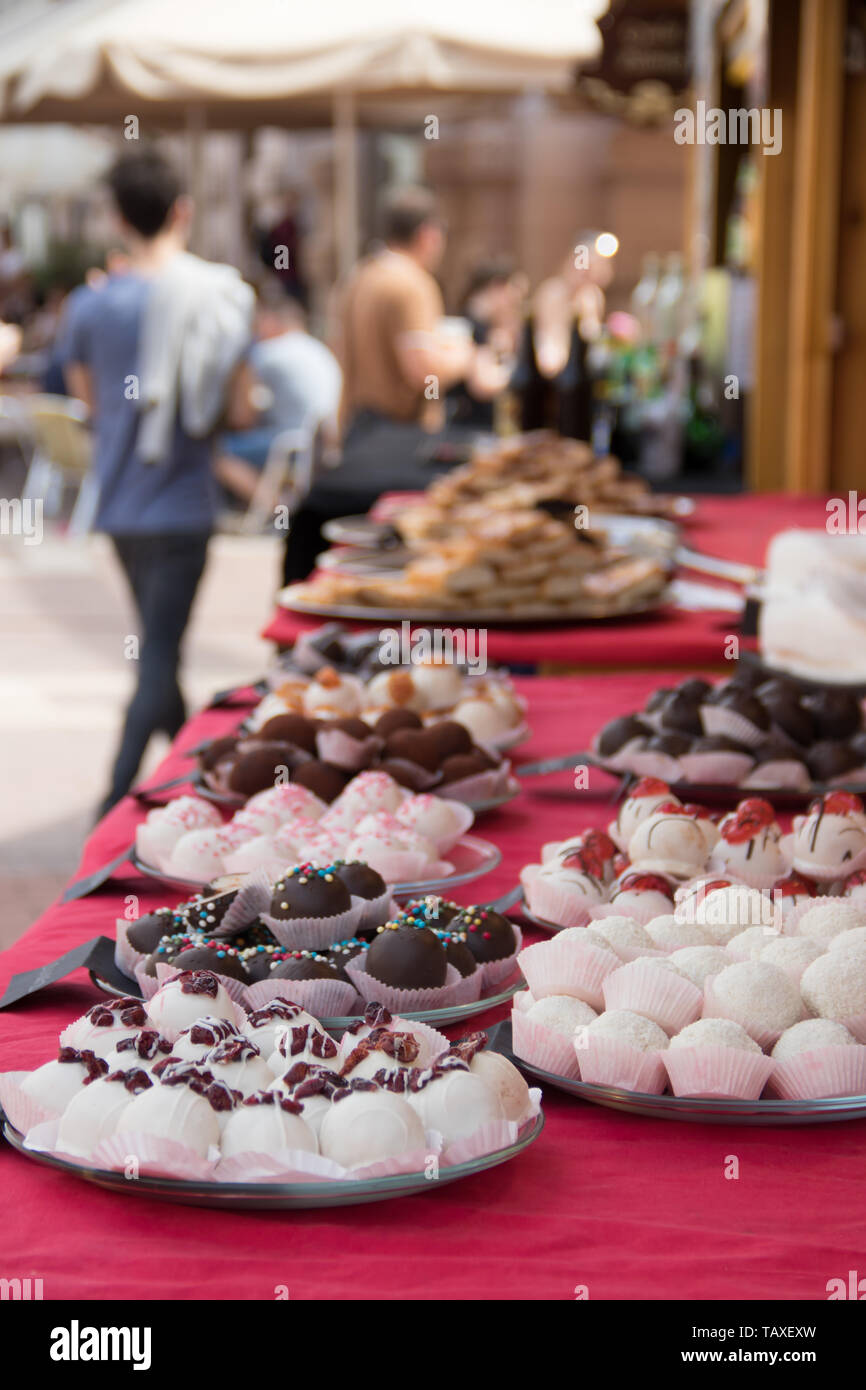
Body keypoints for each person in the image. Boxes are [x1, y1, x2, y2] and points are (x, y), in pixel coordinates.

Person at [62, 147, 253, 816]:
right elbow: (236, 409)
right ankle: (114, 803)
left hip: (120, 505)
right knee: (159, 655)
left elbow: (88, 403)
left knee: (158, 651)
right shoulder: (215, 296)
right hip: (184, 506)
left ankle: (208, 781)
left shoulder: (90, 305)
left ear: (116, 216)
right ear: (183, 211)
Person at [335, 186, 475, 483]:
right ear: (428, 233)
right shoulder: (411, 283)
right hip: (398, 438)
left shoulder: (361, 275)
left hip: (357, 427)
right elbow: (423, 372)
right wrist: (466, 356)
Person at [216, 283, 341, 503]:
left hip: (293, 441)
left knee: (217, 455)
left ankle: (275, 507)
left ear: (271, 321)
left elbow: (241, 411)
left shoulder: (272, 352)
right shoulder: (313, 347)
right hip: (320, 439)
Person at [447, 257, 525, 432]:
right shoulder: (472, 328)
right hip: (470, 431)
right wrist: (519, 372)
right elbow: (483, 385)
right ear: (497, 287)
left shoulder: (479, 326)